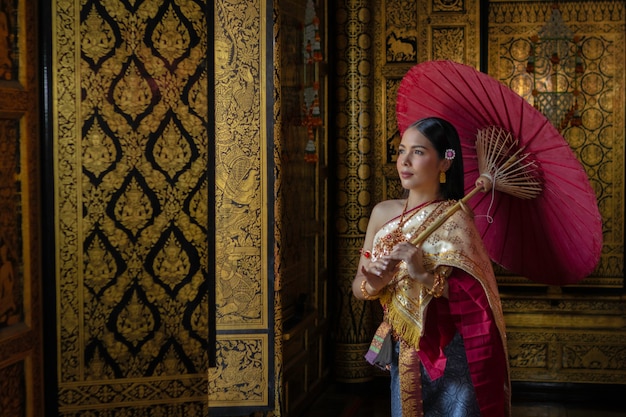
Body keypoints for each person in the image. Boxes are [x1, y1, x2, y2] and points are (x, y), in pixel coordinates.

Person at [352, 117, 510, 417]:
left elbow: (477, 299)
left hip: (452, 351)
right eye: (401, 151)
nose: (405, 161)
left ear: (445, 162)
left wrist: (422, 274)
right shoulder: (382, 213)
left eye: (419, 152)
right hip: (405, 348)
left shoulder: (456, 219)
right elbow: (359, 286)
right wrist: (375, 282)